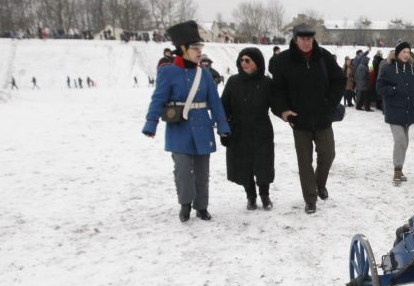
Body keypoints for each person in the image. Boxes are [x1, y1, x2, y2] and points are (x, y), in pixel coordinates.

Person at [142, 21, 231, 222]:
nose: (199, 51)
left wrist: (223, 126)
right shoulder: (168, 72)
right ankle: (185, 204)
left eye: (200, 47)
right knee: (182, 170)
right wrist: (151, 122)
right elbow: (158, 99)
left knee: (202, 172)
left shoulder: (205, 75)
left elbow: (215, 102)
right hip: (178, 128)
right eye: (194, 47)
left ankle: (202, 206)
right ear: (182, 49)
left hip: (202, 127)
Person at [270, 23, 345, 214]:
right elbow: (277, 90)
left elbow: (339, 80)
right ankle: (310, 198)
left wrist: (330, 103)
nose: (307, 42)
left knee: (328, 154)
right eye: (303, 39)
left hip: (322, 118)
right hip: (299, 120)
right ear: (295, 39)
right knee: (305, 161)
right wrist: (283, 111)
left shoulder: (324, 57)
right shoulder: (283, 60)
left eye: (309, 38)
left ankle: (319, 184)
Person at [221, 47, 275, 211]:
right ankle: (250, 196)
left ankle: (265, 196)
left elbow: (278, 104)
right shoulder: (233, 82)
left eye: (247, 60)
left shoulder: (267, 83)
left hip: (261, 130)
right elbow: (223, 107)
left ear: (257, 63)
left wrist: (288, 114)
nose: (243, 63)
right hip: (239, 131)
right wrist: (224, 129)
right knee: (243, 166)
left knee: (263, 164)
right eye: (241, 60)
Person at [376, 40, 414, 185]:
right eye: (403, 52)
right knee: (400, 140)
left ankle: (400, 168)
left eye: (408, 52)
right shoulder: (388, 68)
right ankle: (397, 170)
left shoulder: (411, 68)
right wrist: (393, 90)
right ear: (397, 53)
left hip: (407, 110)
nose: (406, 55)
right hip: (394, 110)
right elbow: (379, 87)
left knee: (405, 142)